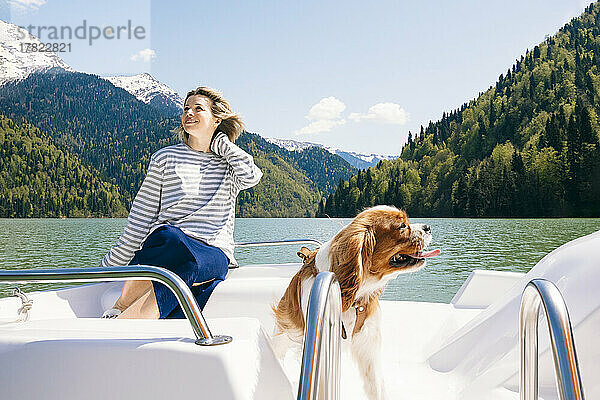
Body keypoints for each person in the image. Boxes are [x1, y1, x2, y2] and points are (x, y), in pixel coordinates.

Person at [100, 86, 262, 319]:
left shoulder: (229, 164)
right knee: (170, 237)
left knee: (191, 261)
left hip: (213, 251)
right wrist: (112, 263)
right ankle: (127, 312)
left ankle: (122, 317)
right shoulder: (166, 157)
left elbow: (252, 176)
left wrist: (222, 145)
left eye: (198, 108)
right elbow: (141, 216)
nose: (189, 113)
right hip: (168, 244)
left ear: (216, 118)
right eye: (186, 108)